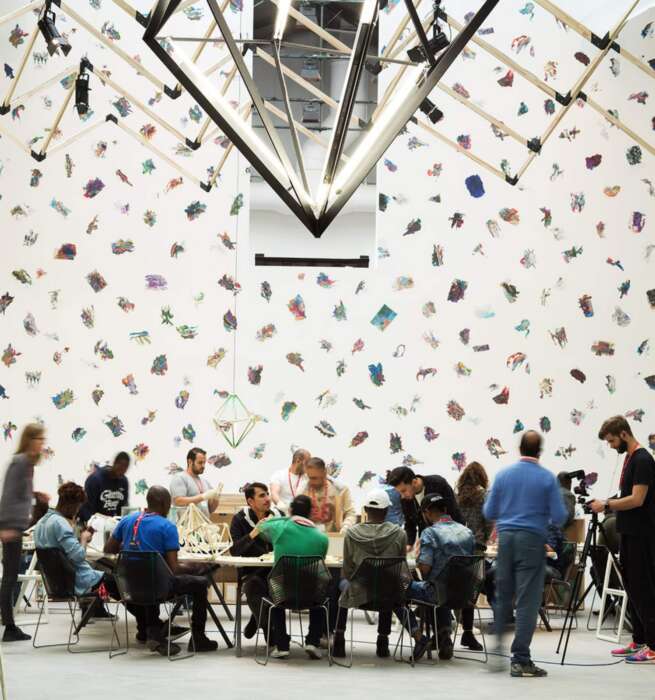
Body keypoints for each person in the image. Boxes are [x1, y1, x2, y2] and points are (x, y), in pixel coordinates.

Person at [483, 430, 567, 678]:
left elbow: (489, 512)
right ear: (539, 451)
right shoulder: (547, 478)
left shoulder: (503, 475)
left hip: (506, 540)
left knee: (503, 595)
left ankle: (498, 649)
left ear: (519, 448)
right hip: (532, 541)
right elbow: (560, 516)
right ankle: (520, 659)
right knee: (528, 601)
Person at [105, 486, 217, 654]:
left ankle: (151, 630)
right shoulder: (167, 526)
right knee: (200, 583)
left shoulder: (127, 520)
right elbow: (174, 569)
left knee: (147, 576)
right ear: (166, 504)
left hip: (129, 587)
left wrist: (131, 547)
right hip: (158, 588)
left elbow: (108, 549)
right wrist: (196, 567)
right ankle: (198, 638)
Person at [332, 489, 429, 660]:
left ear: (365, 510)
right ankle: (383, 642)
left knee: (340, 586)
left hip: (359, 593)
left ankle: (339, 639)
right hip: (389, 595)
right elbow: (399, 567)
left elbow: (347, 570)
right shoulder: (399, 534)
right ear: (386, 510)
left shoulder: (352, 534)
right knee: (389, 582)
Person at [590, 416, 655, 665]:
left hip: (642, 535)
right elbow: (625, 495)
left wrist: (607, 504)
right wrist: (604, 502)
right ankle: (639, 640)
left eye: (612, 441)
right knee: (632, 589)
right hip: (628, 533)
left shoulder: (642, 460)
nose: (610, 445)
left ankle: (653, 646)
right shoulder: (630, 459)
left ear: (624, 434)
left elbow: (637, 499)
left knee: (644, 590)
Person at [251, 495, 329, 659]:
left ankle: (282, 645)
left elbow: (262, 526)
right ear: (311, 512)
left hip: (282, 595)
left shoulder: (280, 527)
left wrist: (287, 517)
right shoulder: (322, 538)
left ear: (291, 510)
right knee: (322, 589)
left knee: (275, 584)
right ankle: (313, 641)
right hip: (311, 596)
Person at [409, 494, 475, 660]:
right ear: (445, 509)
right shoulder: (467, 532)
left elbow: (424, 569)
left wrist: (417, 559)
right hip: (466, 594)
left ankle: (420, 637)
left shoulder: (430, 533)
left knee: (403, 589)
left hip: (438, 593)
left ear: (427, 513)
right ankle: (443, 634)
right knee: (440, 586)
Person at [0, 423, 46, 642]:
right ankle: (9, 627)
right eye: (40, 439)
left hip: (17, 526)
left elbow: (20, 492)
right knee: (9, 577)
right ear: (30, 440)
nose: (42, 444)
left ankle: (9, 624)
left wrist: (36, 495)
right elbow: (8, 494)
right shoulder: (19, 462)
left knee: (11, 575)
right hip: (11, 526)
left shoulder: (27, 464)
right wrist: (5, 526)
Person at [229, 482, 282, 643]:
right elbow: (234, 550)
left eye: (267, 494)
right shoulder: (239, 519)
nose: (267, 498)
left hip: (276, 571)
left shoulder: (278, 516)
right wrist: (254, 532)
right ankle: (268, 631)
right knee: (253, 586)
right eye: (262, 495)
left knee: (278, 587)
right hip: (252, 572)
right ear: (250, 501)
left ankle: (256, 618)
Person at [456, 461, 492, 651]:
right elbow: (489, 521)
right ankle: (467, 633)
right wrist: (485, 538)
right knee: (471, 591)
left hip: (457, 545)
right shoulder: (485, 495)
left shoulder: (458, 495)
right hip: (476, 547)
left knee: (456, 586)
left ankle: (457, 624)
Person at [387, 466, 464, 547]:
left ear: (414, 482)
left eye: (403, 491)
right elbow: (409, 523)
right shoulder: (405, 498)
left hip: (452, 537)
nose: (402, 496)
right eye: (399, 492)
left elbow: (453, 513)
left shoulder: (438, 484)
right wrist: (409, 544)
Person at [303, 457, 356, 533]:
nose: (311, 482)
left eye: (314, 478)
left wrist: (345, 527)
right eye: (309, 478)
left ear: (324, 473)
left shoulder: (341, 490)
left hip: (334, 536)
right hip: (309, 536)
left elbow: (350, 513)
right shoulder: (303, 490)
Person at [79, 452, 131, 522]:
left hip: (111, 522)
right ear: (114, 463)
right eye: (120, 467)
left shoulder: (123, 481)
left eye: (125, 468)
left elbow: (123, 508)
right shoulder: (95, 479)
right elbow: (86, 509)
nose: (122, 471)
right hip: (94, 522)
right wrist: (92, 523)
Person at [170, 447, 220, 517]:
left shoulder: (205, 482)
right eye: (200, 463)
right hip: (187, 523)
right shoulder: (180, 478)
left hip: (204, 523)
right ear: (190, 462)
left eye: (204, 463)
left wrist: (216, 499)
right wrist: (202, 497)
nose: (203, 466)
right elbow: (178, 501)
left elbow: (210, 510)